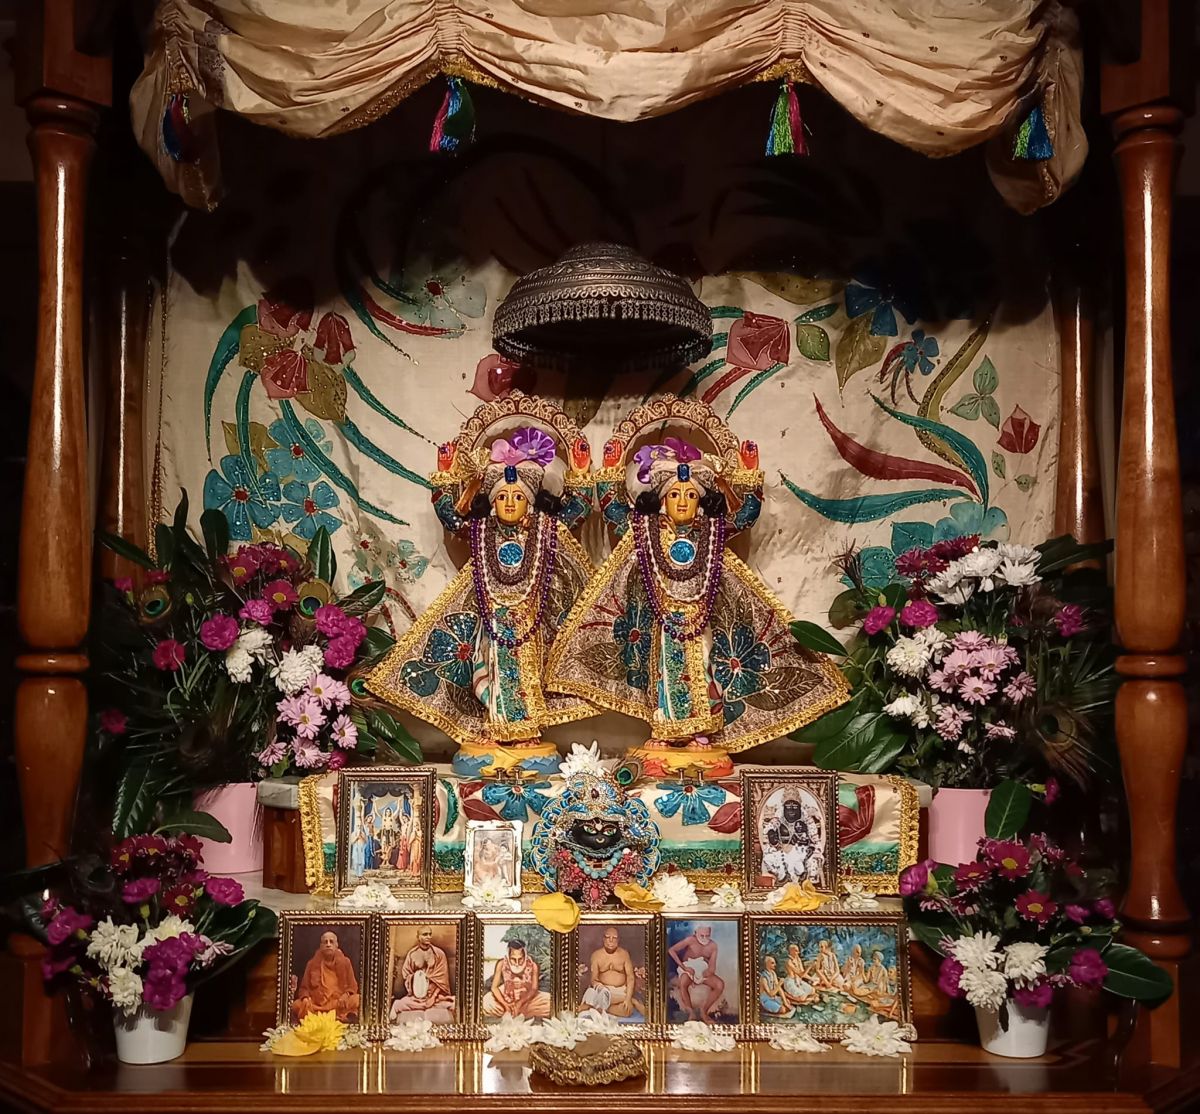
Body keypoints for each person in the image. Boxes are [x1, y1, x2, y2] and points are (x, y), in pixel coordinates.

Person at [290, 930, 361, 1023]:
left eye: (331, 942)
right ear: (321, 946)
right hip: (317, 1004)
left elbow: (353, 986)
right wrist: (305, 998)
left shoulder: (345, 962)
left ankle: (321, 1017)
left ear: (336, 945)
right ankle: (332, 1017)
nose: (328, 945)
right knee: (296, 1005)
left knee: (358, 999)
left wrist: (346, 995)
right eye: (325, 942)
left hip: (338, 1003)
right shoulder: (312, 964)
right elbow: (304, 988)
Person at [390, 926, 456, 1022]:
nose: (428, 937)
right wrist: (417, 978)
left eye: (430, 934)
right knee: (399, 1004)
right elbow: (407, 975)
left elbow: (442, 978)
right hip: (416, 998)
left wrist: (433, 997)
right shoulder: (412, 954)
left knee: (453, 1003)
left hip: (436, 997)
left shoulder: (439, 954)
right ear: (418, 937)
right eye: (425, 934)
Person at [579, 926, 643, 1019]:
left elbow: (630, 978)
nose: (611, 940)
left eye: (614, 938)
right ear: (603, 939)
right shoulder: (596, 955)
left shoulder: (624, 954)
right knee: (600, 995)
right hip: (603, 990)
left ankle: (595, 1007)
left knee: (626, 1011)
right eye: (608, 937)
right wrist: (601, 987)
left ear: (618, 940)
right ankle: (632, 1001)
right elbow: (594, 979)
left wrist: (628, 998)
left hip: (620, 991)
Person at [668, 924, 726, 1024]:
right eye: (702, 936)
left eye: (707, 936)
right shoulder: (690, 940)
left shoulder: (713, 945)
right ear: (695, 933)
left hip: (702, 969)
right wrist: (684, 967)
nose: (704, 938)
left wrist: (708, 972)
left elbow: (712, 966)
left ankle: (704, 1011)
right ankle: (691, 1012)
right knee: (683, 982)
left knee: (719, 984)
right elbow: (671, 950)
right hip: (688, 967)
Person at [482, 938, 551, 1019]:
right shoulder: (501, 963)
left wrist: (520, 1003)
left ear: (525, 955)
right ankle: (512, 1011)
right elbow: (494, 988)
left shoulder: (533, 965)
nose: (517, 963)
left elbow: (533, 989)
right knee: (485, 1004)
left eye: (520, 959)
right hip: (506, 995)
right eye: (513, 959)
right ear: (508, 956)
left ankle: (520, 1012)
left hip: (527, 998)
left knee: (550, 1004)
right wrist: (505, 1004)